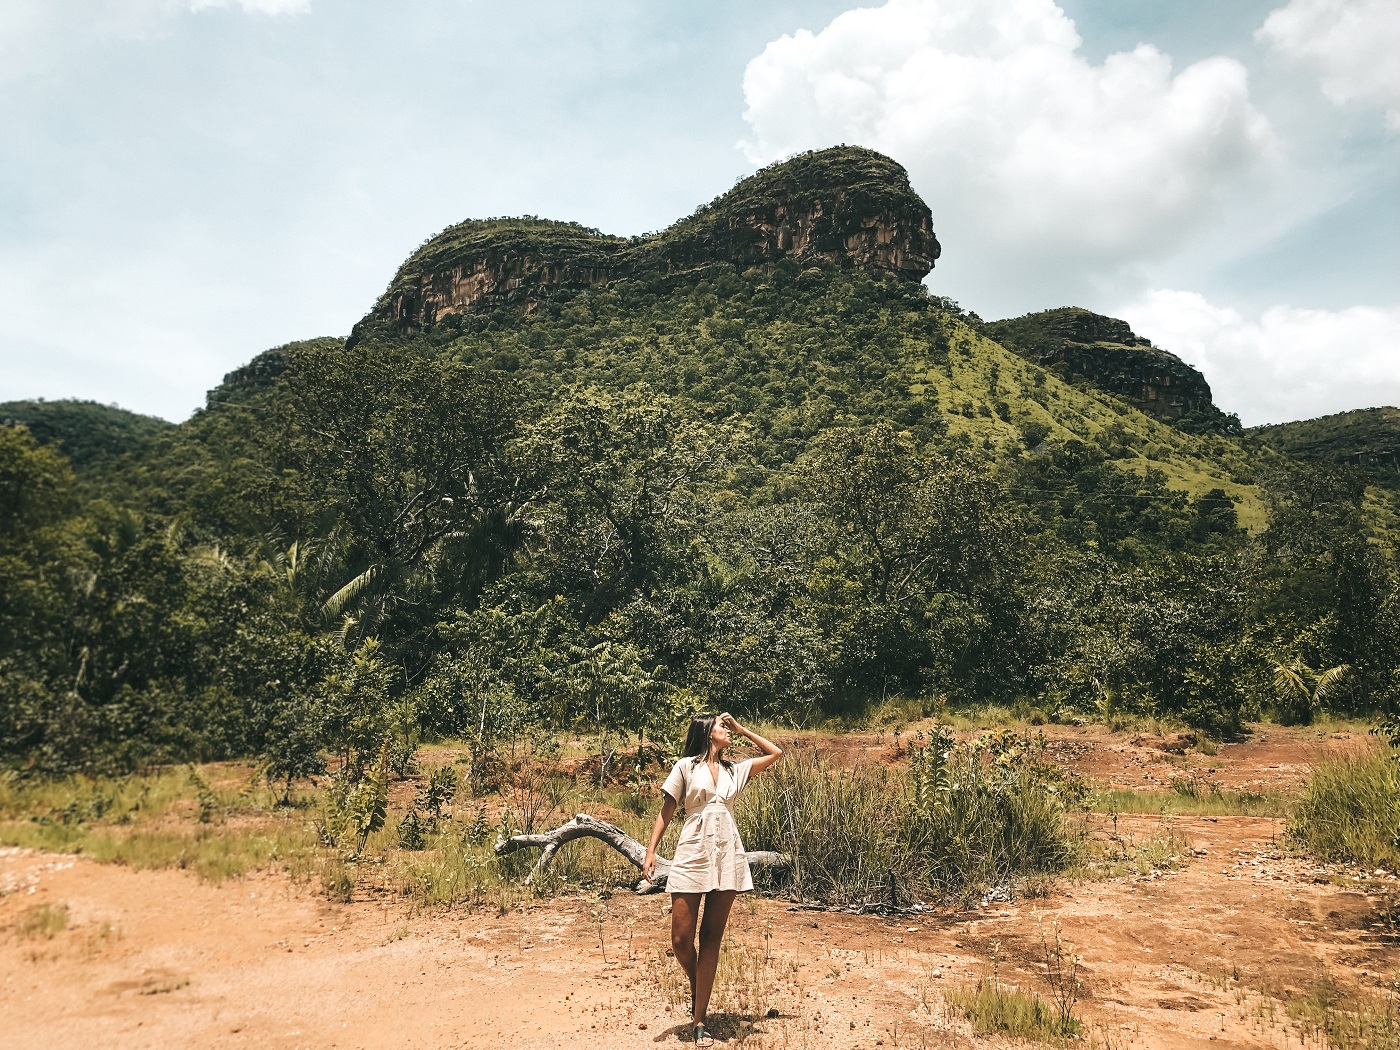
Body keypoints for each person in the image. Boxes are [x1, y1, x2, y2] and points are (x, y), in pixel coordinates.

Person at [643, 712, 783, 1046]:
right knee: (680, 940)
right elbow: (667, 810)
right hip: (692, 853)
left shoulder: (736, 770)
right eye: (723, 727)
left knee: (711, 939)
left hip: (728, 857)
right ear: (707, 733)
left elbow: (775, 752)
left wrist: (741, 728)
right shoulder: (685, 767)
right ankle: (700, 985)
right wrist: (650, 851)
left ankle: (700, 1020)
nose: (728, 731)